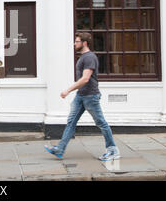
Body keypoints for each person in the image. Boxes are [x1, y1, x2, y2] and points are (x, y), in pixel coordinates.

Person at [44, 32, 120, 161]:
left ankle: (113, 150)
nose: (74, 43)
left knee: (101, 123)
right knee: (71, 122)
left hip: (91, 96)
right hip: (81, 95)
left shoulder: (89, 57)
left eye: (77, 41)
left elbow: (85, 79)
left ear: (84, 43)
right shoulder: (83, 57)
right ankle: (60, 149)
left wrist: (68, 90)